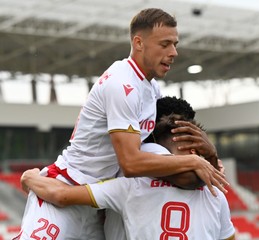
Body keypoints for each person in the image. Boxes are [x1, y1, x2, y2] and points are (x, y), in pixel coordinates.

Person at [15, 8, 228, 240]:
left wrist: (210, 159)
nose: (174, 52)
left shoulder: (150, 88)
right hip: (66, 188)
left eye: (175, 44)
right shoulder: (122, 85)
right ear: (139, 42)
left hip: (100, 203)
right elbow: (131, 163)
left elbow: (170, 165)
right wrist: (195, 160)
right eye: (165, 44)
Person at [20, 114, 235, 240]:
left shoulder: (133, 186)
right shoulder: (215, 194)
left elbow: (61, 195)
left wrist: (29, 178)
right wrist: (211, 158)